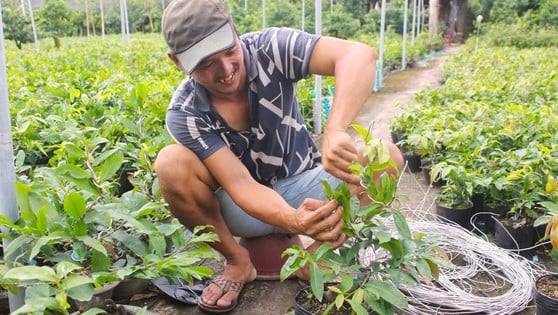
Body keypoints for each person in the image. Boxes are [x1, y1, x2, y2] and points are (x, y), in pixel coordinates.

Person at [155, 0, 403, 313]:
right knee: (170, 164)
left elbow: (359, 55)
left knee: (387, 157)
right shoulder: (186, 112)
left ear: (234, 31)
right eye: (206, 64)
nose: (227, 70)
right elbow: (241, 184)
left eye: (229, 50)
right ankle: (237, 261)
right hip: (240, 209)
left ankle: (315, 258)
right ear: (177, 62)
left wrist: (336, 128)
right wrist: (294, 220)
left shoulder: (269, 48)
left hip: (305, 187)